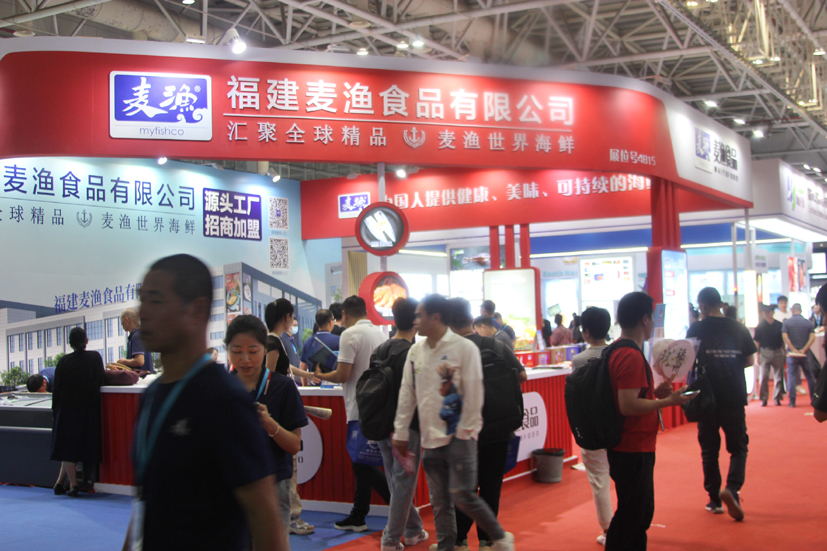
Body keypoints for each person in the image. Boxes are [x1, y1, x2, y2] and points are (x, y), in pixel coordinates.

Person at [122, 254, 285, 551]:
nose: (143, 312)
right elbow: (148, 503)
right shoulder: (153, 394)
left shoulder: (224, 401)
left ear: (197, 310)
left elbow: (266, 523)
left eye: (155, 300)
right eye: (142, 299)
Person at [393, 295, 515, 551]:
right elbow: (407, 393)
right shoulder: (416, 351)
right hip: (430, 440)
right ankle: (447, 546)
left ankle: (500, 537)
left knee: (463, 496)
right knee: (440, 502)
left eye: (420, 315)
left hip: (460, 438)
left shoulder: (464, 349)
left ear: (435, 318)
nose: (416, 321)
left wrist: (465, 434)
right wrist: (401, 431)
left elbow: (474, 394)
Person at [605, 292, 691, 550]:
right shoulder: (630, 355)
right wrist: (668, 401)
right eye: (652, 317)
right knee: (632, 515)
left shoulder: (619, 350)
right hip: (632, 446)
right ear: (645, 319)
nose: (653, 322)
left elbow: (628, 397)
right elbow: (628, 405)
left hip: (629, 445)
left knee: (639, 513)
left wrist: (654, 394)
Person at [448, 297, 525, 551]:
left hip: (463, 431)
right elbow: (522, 375)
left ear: (449, 324)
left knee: (464, 487)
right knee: (491, 485)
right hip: (498, 427)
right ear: (472, 320)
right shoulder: (495, 345)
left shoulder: (449, 352)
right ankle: (487, 540)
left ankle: (459, 540)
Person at [226, 315, 308, 549]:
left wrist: (270, 424)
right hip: (232, 484)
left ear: (265, 349)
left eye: (253, 351)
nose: (245, 359)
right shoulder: (222, 388)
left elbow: (294, 445)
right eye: (236, 351)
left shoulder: (283, 387)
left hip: (274, 482)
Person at [314, 296, 390, 532]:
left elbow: (342, 375)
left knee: (362, 464)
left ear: (345, 315)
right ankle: (359, 515)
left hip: (359, 407)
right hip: (378, 406)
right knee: (362, 463)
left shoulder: (349, 335)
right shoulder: (381, 334)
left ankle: (402, 510)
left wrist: (319, 375)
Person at [687, 287, 756, 522]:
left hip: (706, 397)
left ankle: (714, 500)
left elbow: (687, 361)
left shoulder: (696, 328)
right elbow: (749, 360)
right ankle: (732, 489)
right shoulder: (738, 327)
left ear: (703, 306)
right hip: (734, 395)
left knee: (709, 449)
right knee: (738, 447)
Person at [375, 298, 430, 551]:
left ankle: (413, 529)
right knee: (403, 483)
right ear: (416, 321)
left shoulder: (380, 349)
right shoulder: (412, 353)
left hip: (380, 423)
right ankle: (390, 539)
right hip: (406, 428)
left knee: (396, 482)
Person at [264, 299, 316, 536]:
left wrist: (308, 374)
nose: (294, 321)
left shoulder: (276, 341)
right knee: (289, 466)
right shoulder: (272, 342)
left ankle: (290, 515)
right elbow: (270, 376)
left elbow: (285, 369)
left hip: (281, 411)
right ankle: (292, 516)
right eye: (292, 316)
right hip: (280, 413)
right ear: (286, 317)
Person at [570, 307, 613, 546]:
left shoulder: (579, 360)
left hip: (591, 427)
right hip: (617, 422)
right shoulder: (616, 354)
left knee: (599, 481)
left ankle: (607, 530)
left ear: (585, 332)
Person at [50, 327, 107, 498]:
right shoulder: (95, 357)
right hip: (88, 410)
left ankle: (64, 484)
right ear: (86, 341)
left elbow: (57, 389)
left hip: (66, 410)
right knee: (76, 448)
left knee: (68, 449)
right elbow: (102, 380)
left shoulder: (64, 361)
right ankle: (71, 485)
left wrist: (55, 413)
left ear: (70, 343)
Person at [782, 303, 818, 407]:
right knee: (810, 376)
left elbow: (785, 337)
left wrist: (793, 349)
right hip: (805, 353)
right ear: (801, 311)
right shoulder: (808, 323)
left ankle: (792, 401)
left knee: (791, 376)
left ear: (792, 311)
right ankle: (813, 400)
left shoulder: (787, 322)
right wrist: (804, 349)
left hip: (792, 353)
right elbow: (812, 338)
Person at [753, 305, 786, 406]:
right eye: (765, 312)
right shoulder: (760, 326)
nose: (766, 313)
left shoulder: (779, 325)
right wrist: (757, 355)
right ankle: (764, 398)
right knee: (763, 376)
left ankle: (777, 397)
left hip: (777, 351)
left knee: (779, 376)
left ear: (772, 312)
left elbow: (782, 340)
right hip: (764, 352)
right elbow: (757, 342)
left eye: (768, 311)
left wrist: (784, 351)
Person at [299, 309, 340, 374]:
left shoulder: (308, 342)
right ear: (330, 322)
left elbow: (302, 367)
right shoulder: (339, 340)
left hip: (315, 379)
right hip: (334, 379)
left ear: (317, 323)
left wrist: (307, 381)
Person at [117, 307, 154, 375]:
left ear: (126, 320)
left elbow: (139, 361)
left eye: (122, 322)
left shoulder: (136, 336)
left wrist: (123, 361)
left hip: (141, 378)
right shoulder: (142, 334)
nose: (122, 325)